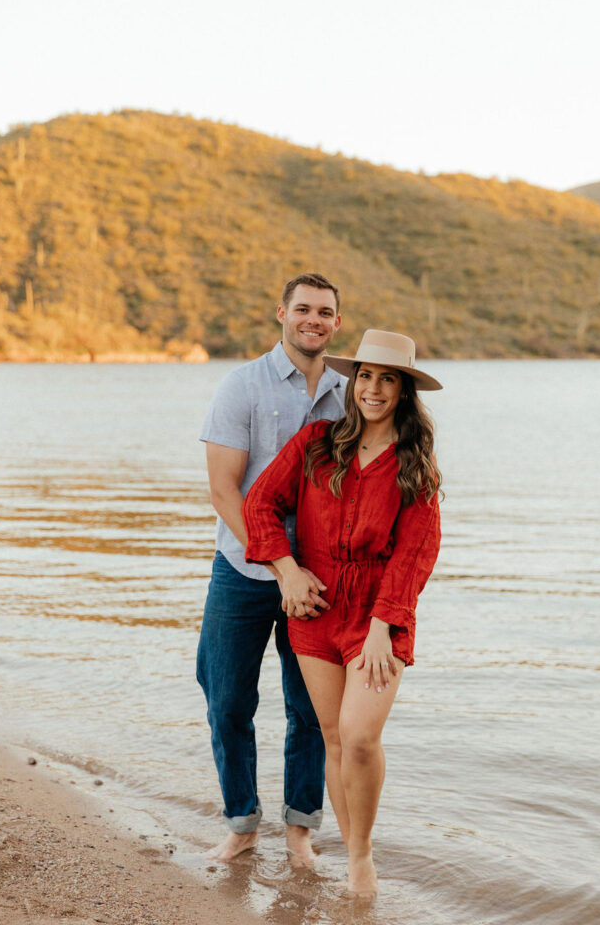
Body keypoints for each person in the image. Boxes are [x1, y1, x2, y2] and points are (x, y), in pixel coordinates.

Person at [242, 329, 442, 896]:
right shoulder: (315, 444)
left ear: (403, 392)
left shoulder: (414, 469)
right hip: (314, 610)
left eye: (388, 379)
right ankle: (353, 857)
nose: (373, 389)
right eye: (366, 377)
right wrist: (287, 570)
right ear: (353, 383)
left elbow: (415, 554)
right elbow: (260, 502)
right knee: (332, 736)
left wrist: (384, 627)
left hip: (378, 616)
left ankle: (362, 855)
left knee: (359, 736)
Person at [196, 272, 344, 864]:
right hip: (243, 571)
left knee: (310, 708)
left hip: (322, 578)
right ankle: (242, 823)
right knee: (227, 698)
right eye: (303, 309)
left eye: (325, 312)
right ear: (280, 313)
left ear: (338, 322)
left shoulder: (349, 392)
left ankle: (301, 832)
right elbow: (224, 492)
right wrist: (283, 570)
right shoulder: (242, 386)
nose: (314, 320)